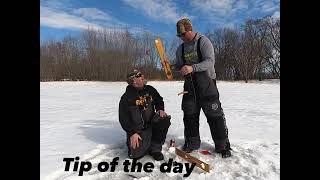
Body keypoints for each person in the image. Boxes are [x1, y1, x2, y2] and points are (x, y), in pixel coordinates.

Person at [174, 18, 232, 158]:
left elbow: (210, 61)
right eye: (180, 36)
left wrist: (192, 67)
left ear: (190, 30)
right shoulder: (180, 48)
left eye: (184, 34)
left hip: (207, 85)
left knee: (215, 116)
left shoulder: (203, 41)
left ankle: (222, 146)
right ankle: (192, 143)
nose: (182, 38)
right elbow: (179, 66)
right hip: (189, 87)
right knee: (189, 116)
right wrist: (173, 67)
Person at [118, 69, 171, 161]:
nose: (142, 76)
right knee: (136, 156)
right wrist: (132, 133)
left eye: (141, 74)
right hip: (137, 131)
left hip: (151, 124)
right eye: (139, 75)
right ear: (133, 80)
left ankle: (155, 148)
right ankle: (143, 146)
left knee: (163, 119)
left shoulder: (150, 89)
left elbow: (159, 99)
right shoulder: (126, 97)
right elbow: (123, 118)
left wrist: (160, 109)